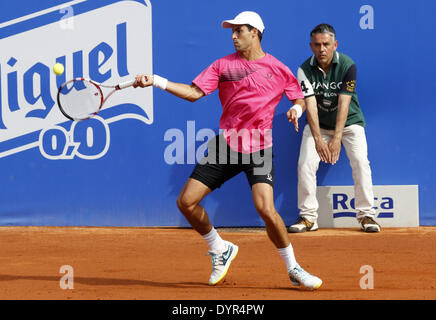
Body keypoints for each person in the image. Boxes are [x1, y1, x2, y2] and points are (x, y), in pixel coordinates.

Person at [133, 11, 322, 290]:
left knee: (266, 209)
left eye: (239, 31)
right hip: (227, 145)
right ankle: (220, 248)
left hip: (259, 147)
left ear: (255, 33)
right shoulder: (223, 65)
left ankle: (293, 267)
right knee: (186, 202)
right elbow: (194, 93)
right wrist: (157, 81)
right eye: (232, 31)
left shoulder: (278, 68)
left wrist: (295, 108)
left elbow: (297, 96)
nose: (233, 36)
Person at [288, 23, 381, 234]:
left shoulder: (348, 65)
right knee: (305, 164)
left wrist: (337, 138)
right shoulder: (304, 69)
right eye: (317, 44)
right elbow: (310, 105)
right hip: (318, 126)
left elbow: (344, 103)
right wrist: (319, 140)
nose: (322, 49)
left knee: (360, 162)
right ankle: (308, 217)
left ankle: (367, 215)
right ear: (311, 46)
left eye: (326, 44)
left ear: (335, 44)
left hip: (349, 124)